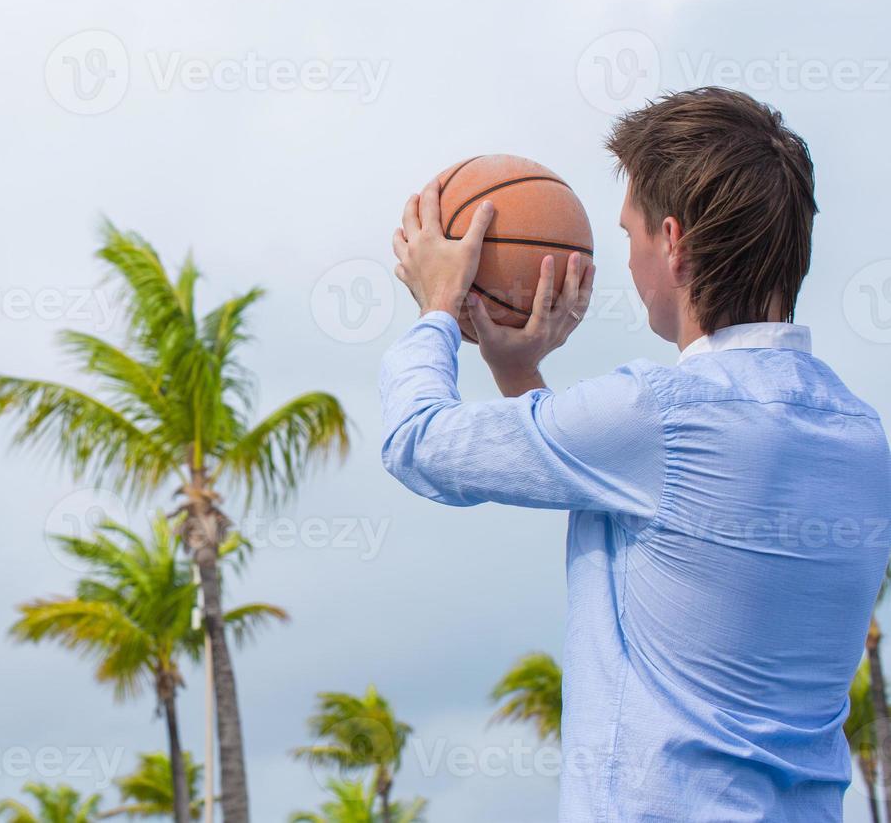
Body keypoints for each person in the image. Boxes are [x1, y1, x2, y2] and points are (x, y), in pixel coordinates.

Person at [379, 87, 891, 821]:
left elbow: (415, 442)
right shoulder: (861, 438)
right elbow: (673, 536)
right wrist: (518, 373)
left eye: (629, 235)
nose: (625, 257)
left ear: (674, 242)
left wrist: (436, 308)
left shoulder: (658, 415)